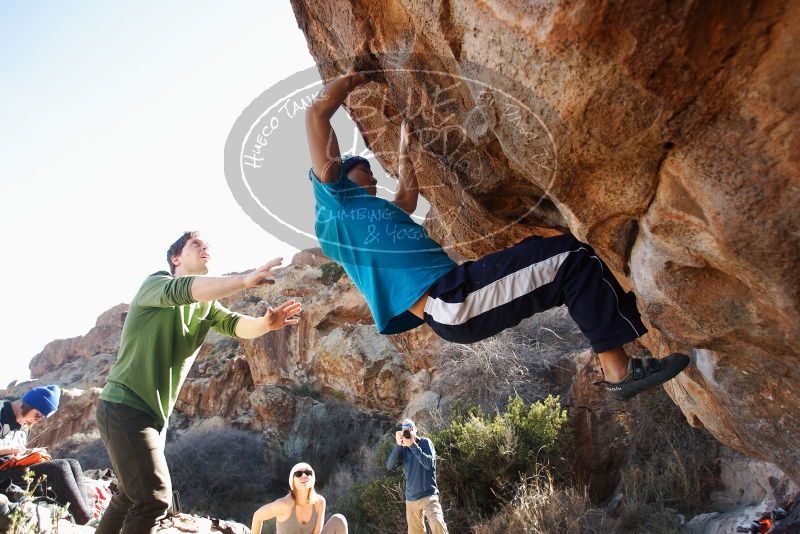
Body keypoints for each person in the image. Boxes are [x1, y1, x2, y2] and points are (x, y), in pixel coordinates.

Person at [304, 68, 689, 401]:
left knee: (549, 254)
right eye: (362, 170)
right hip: (450, 299)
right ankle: (617, 371)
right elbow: (317, 114)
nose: (370, 175)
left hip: (457, 294)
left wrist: (406, 149)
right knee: (573, 259)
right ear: (339, 179)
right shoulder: (336, 203)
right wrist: (353, 79)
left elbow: (406, 197)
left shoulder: (371, 217)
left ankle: (619, 359)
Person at [95, 232, 303, 534]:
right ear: (176, 258)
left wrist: (266, 324)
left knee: (130, 496)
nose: (206, 247)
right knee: (154, 500)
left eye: (208, 245)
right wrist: (245, 280)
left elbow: (235, 324)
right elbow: (184, 290)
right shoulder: (156, 285)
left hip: (154, 417)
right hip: (125, 405)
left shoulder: (207, 307)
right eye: (196, 244)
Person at [0, 384, 94, 524]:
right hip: (3, 476)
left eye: (41, 418)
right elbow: (10, 449)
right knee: (58, 467)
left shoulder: (24, 426)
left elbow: (17, 452)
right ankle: (83, 518)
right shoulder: (1, 410)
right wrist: (11, 448)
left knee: (73, 463)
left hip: (11, 468)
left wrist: (30, 452)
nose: (36, 421)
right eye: (38, 415)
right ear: (28, 404)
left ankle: (85, 514)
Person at [386, 419, 448, 534]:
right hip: (411, 499)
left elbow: (429, 464)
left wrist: (413, 445)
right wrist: (398, 445)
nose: (408, 432)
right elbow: (389, 466)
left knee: (437, 524)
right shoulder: (403, 449)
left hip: (429, 495)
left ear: (415, 430)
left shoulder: (425, 442)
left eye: (410, 429)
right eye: (405, 430)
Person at [250, 462, 347, 534]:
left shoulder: (320, 502)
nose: (304, 475)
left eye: (308, 473)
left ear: (312, 478)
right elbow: (258, 516)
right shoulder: (284, 505)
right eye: (298, 474)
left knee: (339, 520)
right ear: (292, 481)